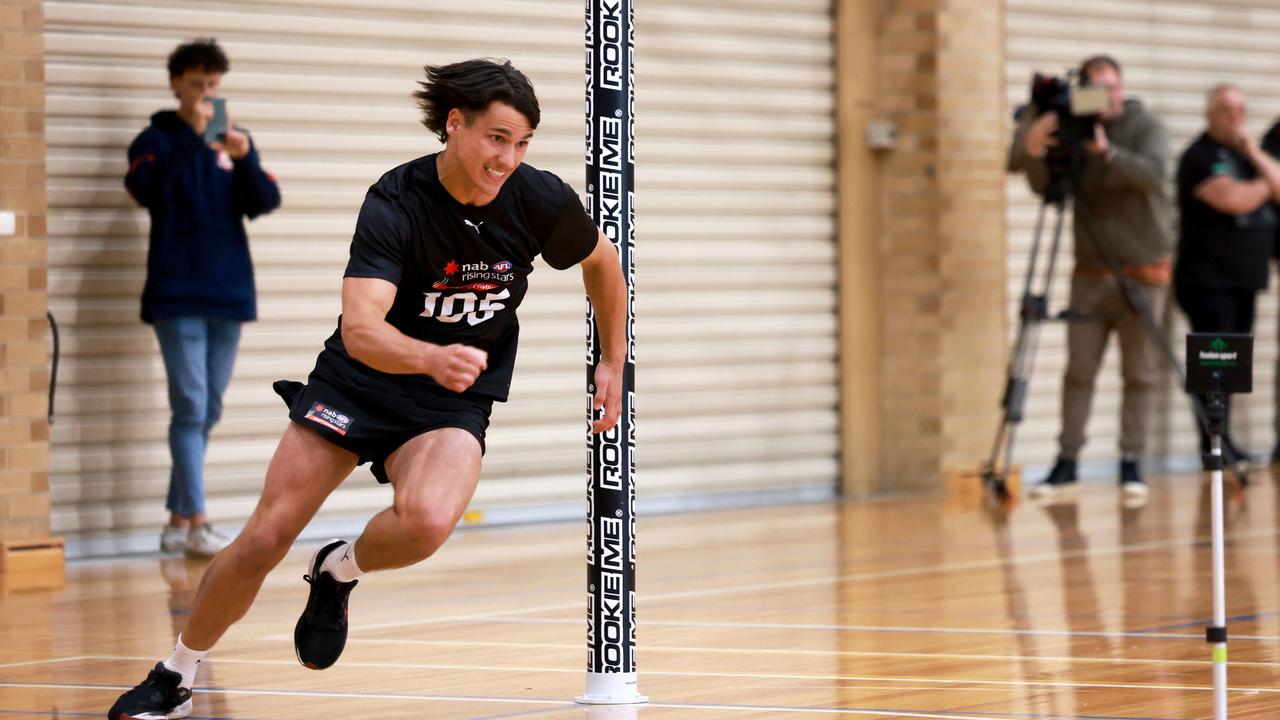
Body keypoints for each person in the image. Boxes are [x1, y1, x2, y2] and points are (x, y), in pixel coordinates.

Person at [106, 57, 627, 720]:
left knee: (430, 523)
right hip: (359, 383)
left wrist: (613, 361)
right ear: (455, 125)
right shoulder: (397, 199)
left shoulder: (539, 199)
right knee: (264, 537)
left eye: (522, 143)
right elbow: (360, 330)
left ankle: (337, 570)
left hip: (447, 402)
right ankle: (176, 675)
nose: (507, 158)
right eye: (496, 139)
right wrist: (430, 357)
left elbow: (602, 265)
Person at [124, 38, 281, 559]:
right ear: (176, 84)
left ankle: (175, 520)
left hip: (228, 291)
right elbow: (148, 192)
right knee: (190, 406)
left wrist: (245, 160)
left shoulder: (231, 140)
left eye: (213, 86)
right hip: (176, 293)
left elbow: (264, 203)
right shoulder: (156, 139)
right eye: (197, 85)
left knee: (206, 408)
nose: (206, 96)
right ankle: (196, 523)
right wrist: (193, 139)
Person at [1008, 55, 1174, 503]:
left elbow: (1154, 174)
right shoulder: (1072, 126)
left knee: (1139, 373)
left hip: (1144, 270)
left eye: (1112, 87)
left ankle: (1130, 464)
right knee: (1079, 370)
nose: (1106, 97)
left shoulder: (1144, 127)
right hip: (1090, 270)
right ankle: (1067, 464)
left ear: (1122, 88)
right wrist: (1034, 144)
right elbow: (1046, 187)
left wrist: (1107, 152)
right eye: (1095, 89)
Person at [1175, 86, 1280, 466]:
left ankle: (1224, 442)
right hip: (1207, 282)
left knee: (1231, 369)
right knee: (1213, 366)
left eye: (1240, 109)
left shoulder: (1249, 156)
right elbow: (1232, 199)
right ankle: (1214, 447)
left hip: (1243, 281)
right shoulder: (1199, 155)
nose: (1235, 116)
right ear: (1210, 114)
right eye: (1226, 109)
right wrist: (1264, 187)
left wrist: (1254, 153)